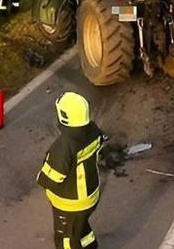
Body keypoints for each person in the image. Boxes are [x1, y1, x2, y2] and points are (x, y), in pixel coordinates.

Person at [37, 92, 105, 249]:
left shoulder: (64, 146)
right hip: (90, 196)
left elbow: (51, 179)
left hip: (70, 203)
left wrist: (41, 177)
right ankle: (90, 245)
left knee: (66, 237)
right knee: (80, 227)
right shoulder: (94, 131)